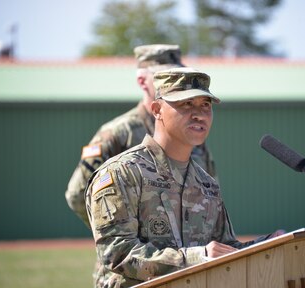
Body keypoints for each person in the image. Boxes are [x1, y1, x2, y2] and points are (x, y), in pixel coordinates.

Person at [85, 67, 284, 288]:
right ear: (157, 109)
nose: (199, 113)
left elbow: (223, 252)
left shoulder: (206, 184)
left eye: (205, 105)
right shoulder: (121, 173)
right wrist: (196, 257)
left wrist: (268, 244)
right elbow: (117, 253)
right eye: (186, 104)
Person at [65, 44, 217, 227]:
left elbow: (210, 194)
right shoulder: (117, 133)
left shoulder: (191, 132)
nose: (177, 81)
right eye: (164, 75)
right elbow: (77, 194)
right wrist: (115, 228)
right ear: (142, 81)